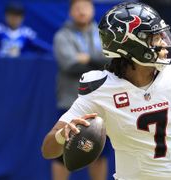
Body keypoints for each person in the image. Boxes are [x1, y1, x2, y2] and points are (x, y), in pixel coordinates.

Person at [42, 2, 171, 180]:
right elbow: (48, 149)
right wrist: (63, 135)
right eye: (155, 37)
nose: (164, 43)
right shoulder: (101, 89)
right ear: (131, 45)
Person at [53, 0, 110, 179]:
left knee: (100, 153)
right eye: (77, 8)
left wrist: (87, 58)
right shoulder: (62, 36)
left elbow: (110, 61)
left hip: (101, 102)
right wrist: (97, 62)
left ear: (93, 10)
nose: (82, 11)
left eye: (85, 7)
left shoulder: (103, 34)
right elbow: (70, 65)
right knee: (63, 153)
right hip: (71, 102)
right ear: (70, 12)